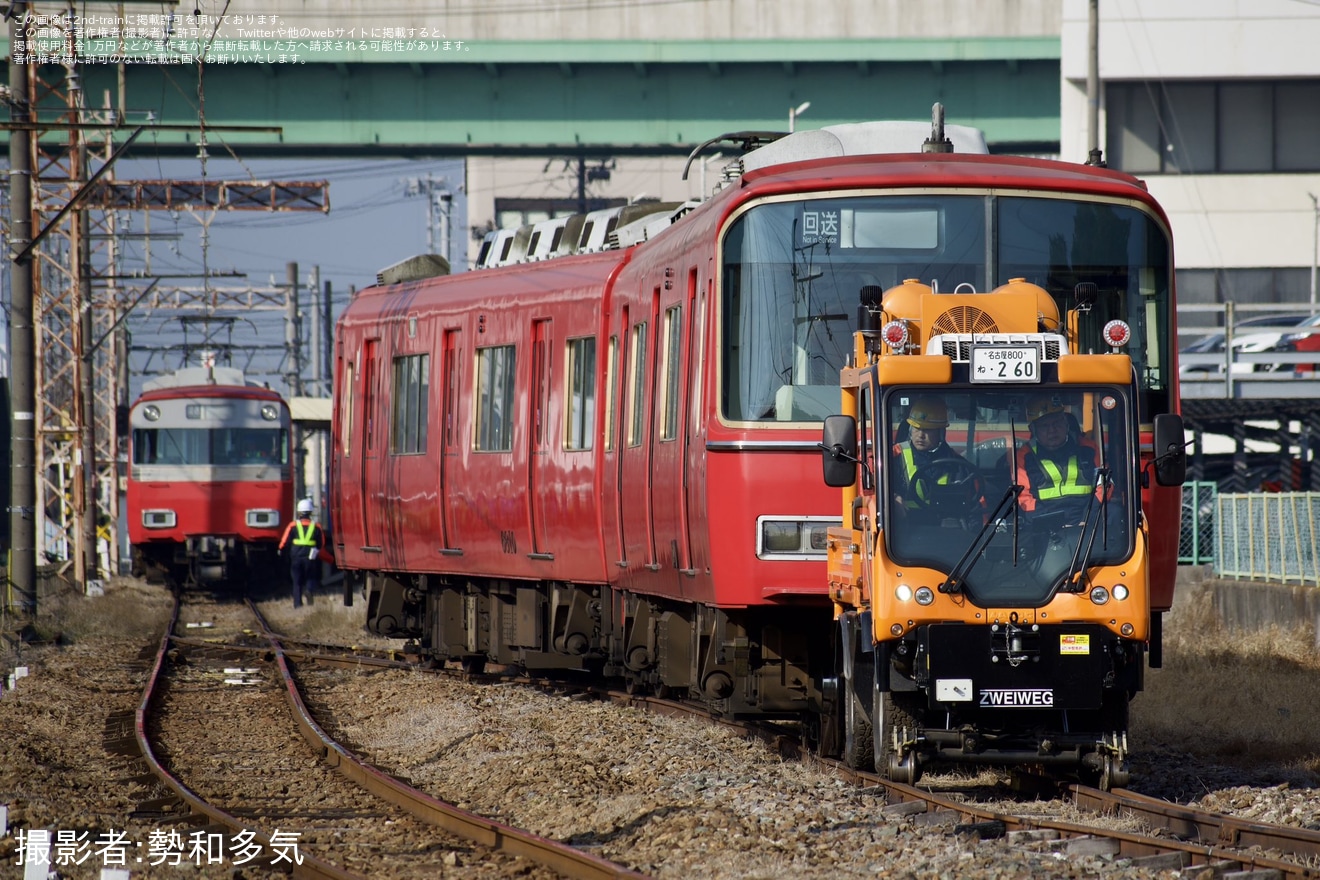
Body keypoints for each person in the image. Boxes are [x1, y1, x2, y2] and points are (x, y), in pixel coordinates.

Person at [891, 397, 982, 521]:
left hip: (947, 533)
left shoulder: (960, 467)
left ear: (941, 433)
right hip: (904, 532)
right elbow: (873, 490)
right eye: (916, 429)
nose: (920, 435)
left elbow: (976, 510)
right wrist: (893, 497)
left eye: (927, 430)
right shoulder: (894, 457)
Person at [1013, 396, 1104, 519]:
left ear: (1066, 424)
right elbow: (1023, 497)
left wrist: (1089, 515)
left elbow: (1104, 484)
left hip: (1087, 517)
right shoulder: (1024, 455)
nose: (1052, 430)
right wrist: (1049, 521)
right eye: (1044, 426)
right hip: (1045, 520)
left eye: (1057, 423)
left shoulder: (1089, 448)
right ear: (1033, 430)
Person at [279, 498, 333, 609]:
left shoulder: (292, 526)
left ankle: (298, 604)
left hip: (296, 558)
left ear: (299, 512)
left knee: (297, 581)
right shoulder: (316, 526)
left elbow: (284, 542)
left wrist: (281, 551)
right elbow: (321, 544)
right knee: (310, 577)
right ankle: (309, 591)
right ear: (311, 512)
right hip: (310, 557)